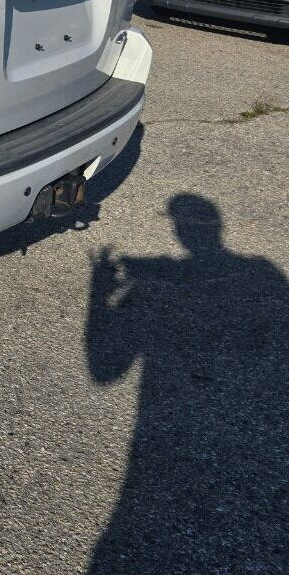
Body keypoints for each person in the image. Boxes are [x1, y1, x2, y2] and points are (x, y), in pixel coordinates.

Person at [85, 193, 289, 573]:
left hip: (159, 455)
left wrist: (99, 296)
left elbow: (105, 371)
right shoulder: (264, 271)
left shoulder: (262, 273)